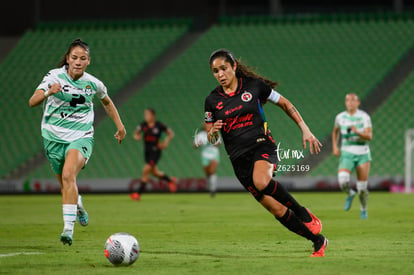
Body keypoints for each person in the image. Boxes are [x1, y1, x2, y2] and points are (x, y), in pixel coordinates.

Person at [204, 49, 327, 257]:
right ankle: (318, 241)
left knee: (261, 181)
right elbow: (211, 137)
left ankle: (303, 213)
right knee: (277, 210)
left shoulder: (254, 86)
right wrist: (213, 133)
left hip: (262, 146)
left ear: (234, 67)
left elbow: (285, 104)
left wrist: (305, 129)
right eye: (215, 71)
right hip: (238, 161)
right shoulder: (212, 100)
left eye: (223, 69)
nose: (220, 74)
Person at [29, 39, 126, 245]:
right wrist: (48, 92)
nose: (78, 62)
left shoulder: (93, 83)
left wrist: (120, 126)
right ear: (67, 59)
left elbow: (106, 101)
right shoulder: (54, 76)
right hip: (52, 137)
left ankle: (68, 230)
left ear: (88, 61)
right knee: (66, 185)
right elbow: (32, 101)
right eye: (74, 58)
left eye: (83, 58)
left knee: (68, 174)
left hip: (81, 136)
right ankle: (78, 203)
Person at [332, 93, 372, 219]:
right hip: (347, 152)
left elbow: (369, 136)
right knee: (342, 180)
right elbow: (335, 131)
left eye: (353, 100)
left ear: (358, 103)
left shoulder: (364, 117)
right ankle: (350, 193)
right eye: (348, 100)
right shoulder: (340, 117)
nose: (350, 102)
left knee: (362, 188)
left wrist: (357, 132)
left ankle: (363, 209)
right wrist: (335, 146)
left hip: (362, 153)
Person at [130, 108, 176, 200]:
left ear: (153, 116)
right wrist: (137, 137)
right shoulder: (143, 125)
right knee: (155, 173)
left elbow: (171, 134)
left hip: (156, 151)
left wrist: (165, 142)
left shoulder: (159, 125)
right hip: (147, 151)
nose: (146, 116)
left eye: (147, 114)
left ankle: (138, 194)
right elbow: (135, 134)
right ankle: (170, 180)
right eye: (145, 114)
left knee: (145, 170)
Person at [194, 124, 221, 197]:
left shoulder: (214, 132)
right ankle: (210, 187)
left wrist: (212, 141)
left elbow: (218, 144)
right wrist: (198, 143)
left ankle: (213, 189)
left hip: (214, 154)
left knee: (212, 171)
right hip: (204, 155)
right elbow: (195, 145)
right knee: (208, 173)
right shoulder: (200, 135)